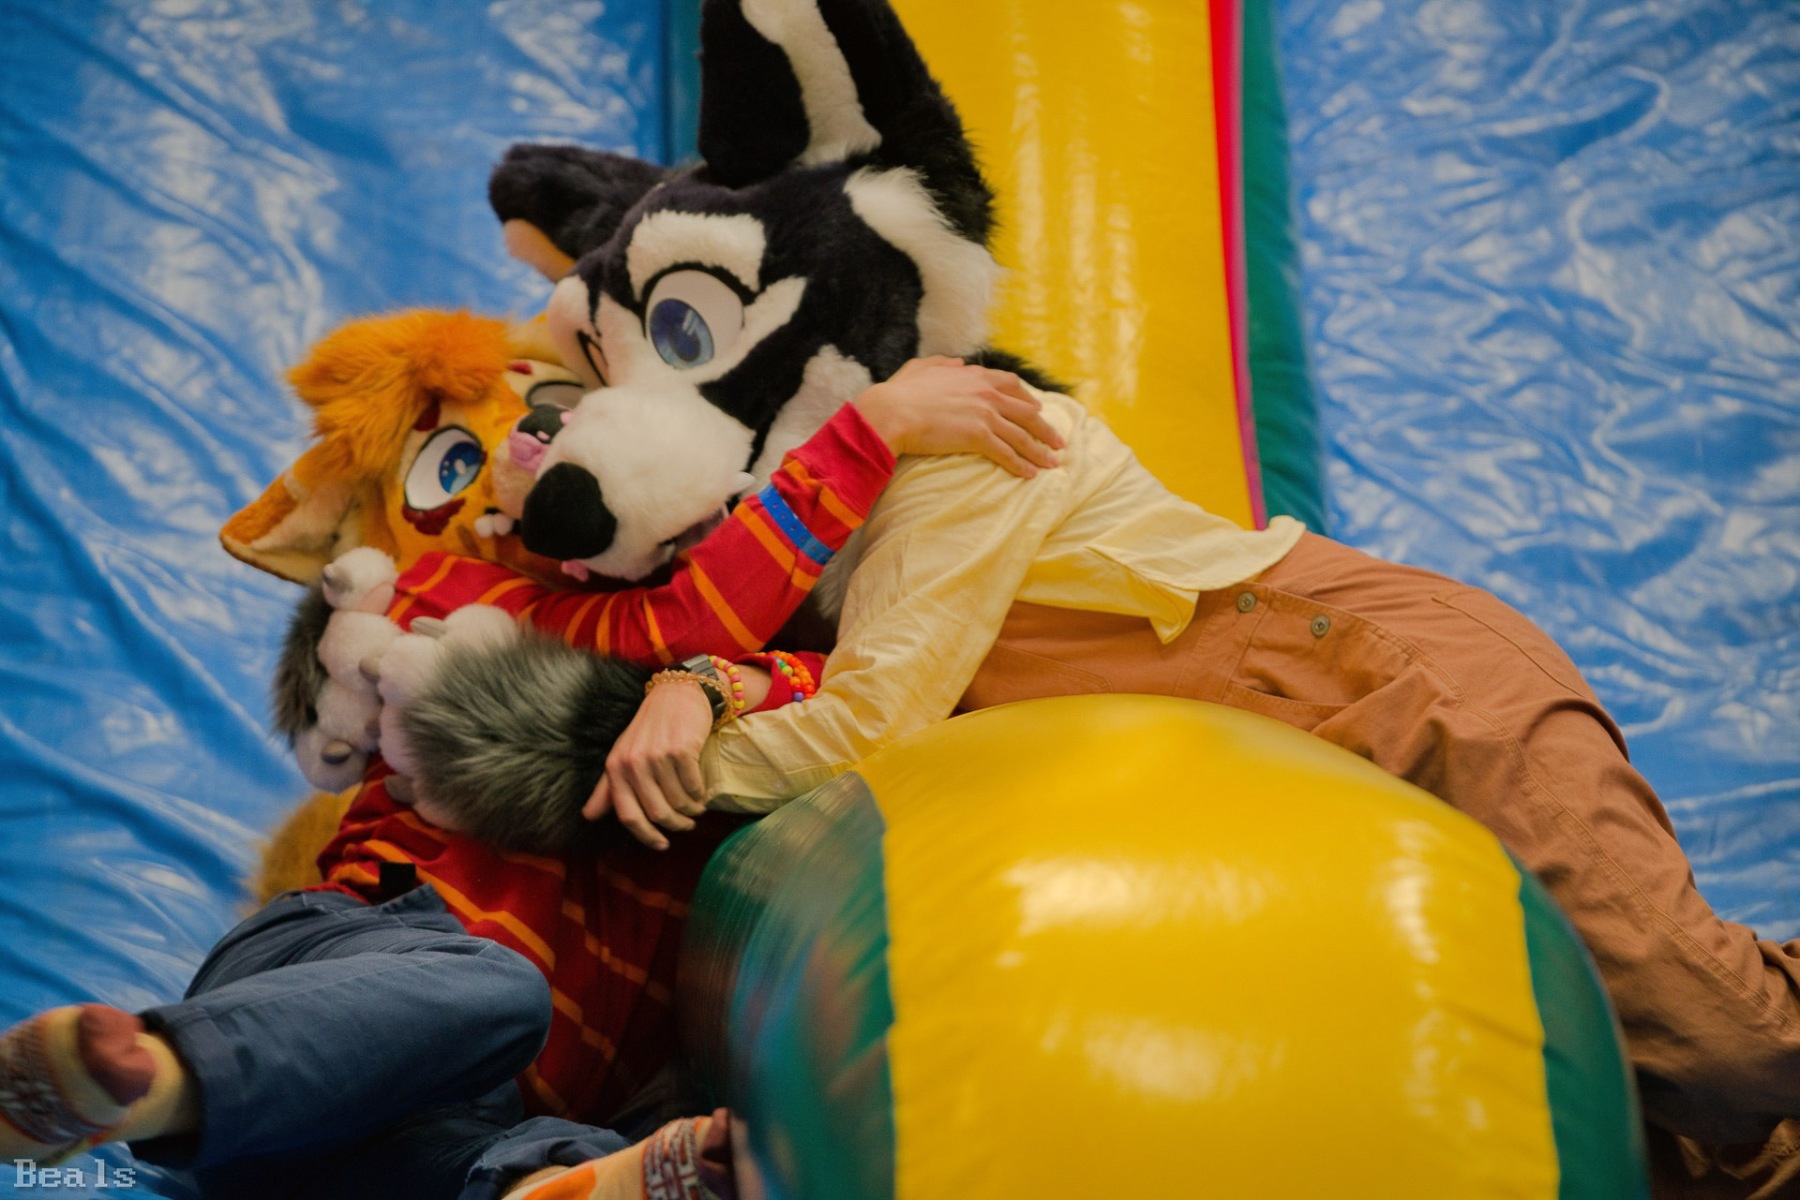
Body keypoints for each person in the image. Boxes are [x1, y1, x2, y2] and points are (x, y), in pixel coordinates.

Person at [591, 380, 1800, 1198]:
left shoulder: (962, 449)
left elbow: (869, 721)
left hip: (1404, 692)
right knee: (1668, 1127)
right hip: (1318, 781)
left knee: (1724, 1047)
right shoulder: (846, 599)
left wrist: (634, 764)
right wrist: (696, 682)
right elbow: (829, 680)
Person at [0, 359, 1062, 1200]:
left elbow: (848, 694)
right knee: (495, 994)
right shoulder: (453, 599)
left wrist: (706, 687)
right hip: (346, 960)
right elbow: (669, 625)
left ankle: (546, 1186)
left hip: (407, 1127)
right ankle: (142, 1084)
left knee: (536, 1151)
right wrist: (871, 427)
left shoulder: (764, 708)